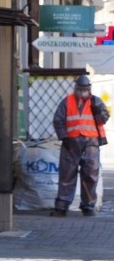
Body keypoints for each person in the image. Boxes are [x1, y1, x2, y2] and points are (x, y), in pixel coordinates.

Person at [51, 74, 109, 217]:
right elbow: (58, 120)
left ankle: (88, 206)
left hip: (90, 144)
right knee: (67, 175)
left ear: (89, 89)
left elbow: (104, 118)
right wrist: (64, 137)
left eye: (86, 89)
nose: (83, 91)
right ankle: (62, 206)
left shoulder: (96, 101)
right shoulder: (67, 102)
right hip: (71, 143)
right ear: (76, 89)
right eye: (81, 89)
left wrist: (98, 112)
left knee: (90, 176)